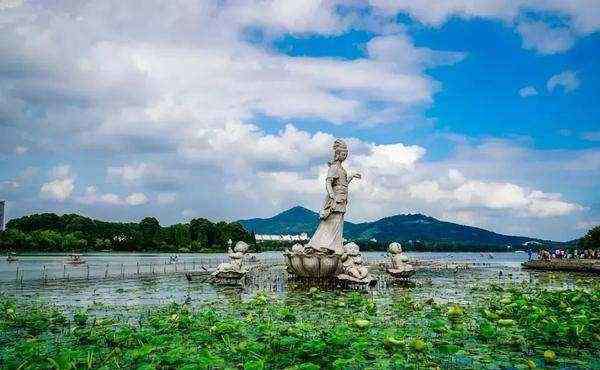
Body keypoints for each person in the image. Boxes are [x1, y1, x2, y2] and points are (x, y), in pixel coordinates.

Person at [306, 139, 361, 254]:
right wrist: (331, 194)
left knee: (338, 222)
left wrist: (352, 176)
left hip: (342, 198)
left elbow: (344, 183)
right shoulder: (334, 167)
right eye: (343, 154)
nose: (344, 156)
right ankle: (322, 244)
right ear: (337, 154)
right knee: (331, 221)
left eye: (346, 154)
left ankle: (334, 244)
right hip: (335, 198)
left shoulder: (342, 169)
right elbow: (328, 182)